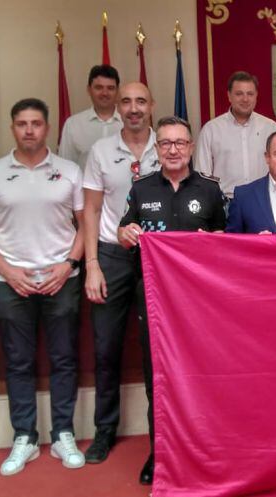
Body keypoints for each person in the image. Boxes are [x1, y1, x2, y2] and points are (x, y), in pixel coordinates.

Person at [0, 98, 86, 476]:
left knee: (63, 359)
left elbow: (86, 224)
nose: (30, 130)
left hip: (61, 280)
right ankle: (25, 437)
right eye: (22, 124)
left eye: (36, 123)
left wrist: (68, 264)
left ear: (47, 128)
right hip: (11, 283)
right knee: (18, 362)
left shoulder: (69, 171)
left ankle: (64, 432)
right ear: (13, 128)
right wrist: (8, 270)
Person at [118, 116, 227, 485]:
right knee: (159, 379)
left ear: (192, 148)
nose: (173, 150)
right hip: (154, 301)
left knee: (204, 376)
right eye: (165, 143)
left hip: (201, 304)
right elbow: (123, 230)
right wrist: (126, 232)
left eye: (180, 143)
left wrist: (210, 241)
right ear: (157, 149)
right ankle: (160, 453)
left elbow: (224, 238)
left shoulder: (210, 191)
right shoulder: (141, 189)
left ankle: (207, 450)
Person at [80, 81, 160, 464]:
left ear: (151, 106)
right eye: (126, 101)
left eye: (140, 101)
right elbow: (90, 210)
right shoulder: (100, 150)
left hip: (157, 260)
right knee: (106, 349)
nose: (133, 108)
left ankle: (159, 439)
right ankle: (103, 432)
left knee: (156, 354)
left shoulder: (169, 145)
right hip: (111, 257)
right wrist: (91, 264)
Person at [194, 71, 276, 198]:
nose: (245, 99)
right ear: (229, 96)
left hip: (264, 201)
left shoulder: (271, 128)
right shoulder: (211, 130)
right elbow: (202, 175)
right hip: (226, 204)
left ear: (256, 96)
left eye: (250, 94)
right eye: (239, 94)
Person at [58, 65, 122, 167]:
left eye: (110, 88)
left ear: (117, 91)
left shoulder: (128, 123)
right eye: (99, 87)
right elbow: (65, 166)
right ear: (89, 90)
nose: (105, 93)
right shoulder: (73, 124)